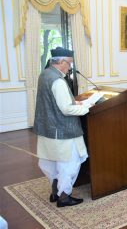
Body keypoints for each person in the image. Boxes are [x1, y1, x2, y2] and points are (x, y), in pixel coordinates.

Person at [33, 47, 91, 207]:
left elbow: (52, 101)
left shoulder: (45, 74)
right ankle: (64, 197)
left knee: (51, 162)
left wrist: (75, 102)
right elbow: (66, 109)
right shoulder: (58, 80)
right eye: (69, 63)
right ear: (60, 62)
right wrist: (87, 107)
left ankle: (54, 192)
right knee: (69, 163)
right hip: (63, 131)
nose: (70, 67)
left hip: (47, 129)